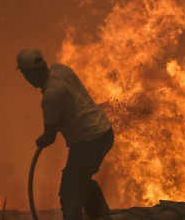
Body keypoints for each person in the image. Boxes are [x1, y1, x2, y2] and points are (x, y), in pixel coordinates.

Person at [17, 48, 113, 220]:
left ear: (29, 75)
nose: (25, 79)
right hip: (105, 132)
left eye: (24, 74)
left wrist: (41, 140)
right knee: (80, 180)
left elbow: (50, 136)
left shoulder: (51, 96)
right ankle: (102, 217)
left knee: (69, 191)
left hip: (89, 141)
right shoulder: (61, 70)